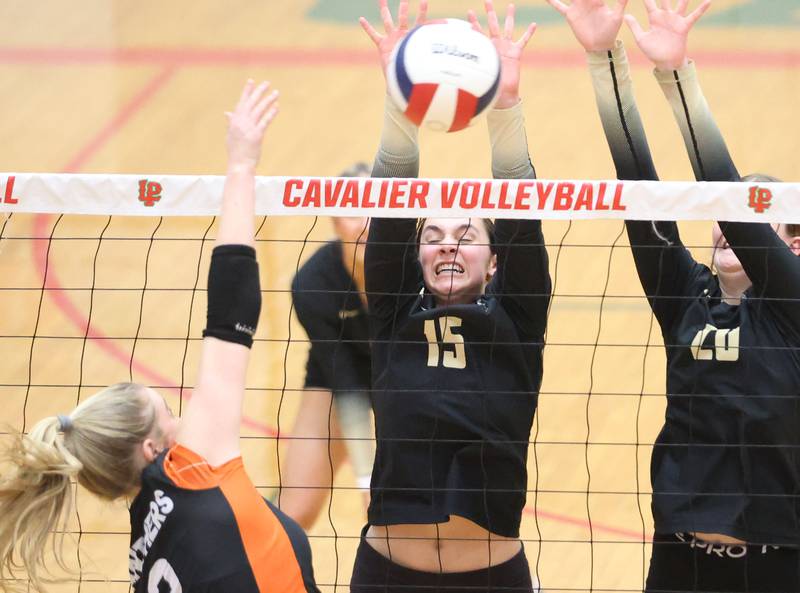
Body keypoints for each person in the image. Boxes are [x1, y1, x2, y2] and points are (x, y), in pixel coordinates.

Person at [0, 80, 320, 593]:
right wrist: (241, 163)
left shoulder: (142, 552)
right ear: (153, 448)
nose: (183, 414)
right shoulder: (194, 468)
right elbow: (231, 310)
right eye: (168, 412)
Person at [549, 0, 800, 590]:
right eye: (726, 217)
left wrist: (676, 74)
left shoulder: (792, 309)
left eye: (755, 215)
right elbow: (639, 189)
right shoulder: (686, 298)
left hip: (778, 565)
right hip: (678, 561)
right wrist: (604, 59)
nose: (727, 227)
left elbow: (727, 198)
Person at [352, 0, 549, 590]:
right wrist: (401, 102)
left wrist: (505, 106)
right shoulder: (394, 313)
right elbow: (390, 216)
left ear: (495, 260)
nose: (447, 246)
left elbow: (522, 219)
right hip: (387, 574)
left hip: (491, 577)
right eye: (433, 236)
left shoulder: (518, 318)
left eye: (466, 235)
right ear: (416, 257)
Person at [281, 163, 375, 529]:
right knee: (294, 513)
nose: (366, 222)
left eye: (376, 208)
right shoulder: (312, 284)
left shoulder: (419, 269)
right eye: (354, 211)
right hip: (339, 374)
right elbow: (347, 384)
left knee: (405, 513)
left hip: (408, 375)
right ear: (335, 222)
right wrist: (366, 477)